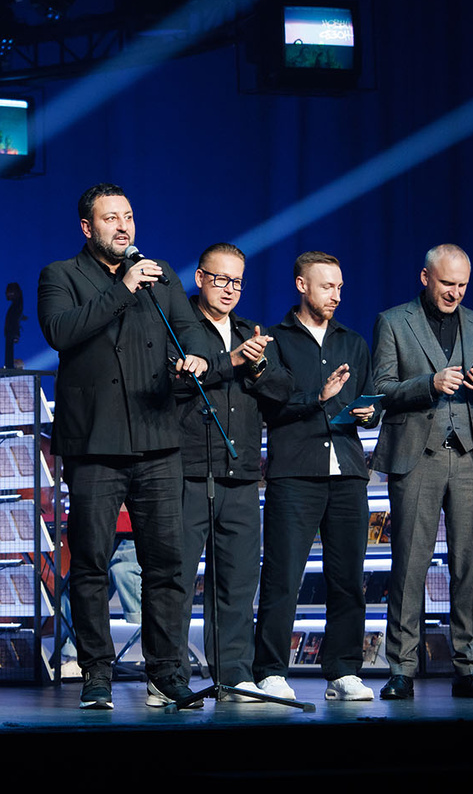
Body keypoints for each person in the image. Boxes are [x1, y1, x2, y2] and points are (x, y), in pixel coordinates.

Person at [37, 182, 209, 710]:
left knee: (166, 563)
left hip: (158, 439)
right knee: (91, 561)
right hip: (95, 443)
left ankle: (166, 672)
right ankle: (96, 673)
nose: (123, 226)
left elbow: (191, 330)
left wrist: (197, 358)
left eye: (128, 216)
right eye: (111, 218)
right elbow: (61, 332)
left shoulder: (161, 274)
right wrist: (124, 288)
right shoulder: (61, 275)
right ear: (87, 227)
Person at [371, 244, 473, 699]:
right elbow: (381, 390)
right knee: (410, 564)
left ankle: (469, 668)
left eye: (463, 285)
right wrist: (427, 384)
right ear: (425, 277)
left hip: (470, 457)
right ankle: (401, 669)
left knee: (470, 566)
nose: (455, 292)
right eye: (447, 283)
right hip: (418, 456)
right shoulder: (394, 322)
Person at [252, 251, 379, 702]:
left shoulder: (353, 342)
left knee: (347, 578)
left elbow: (368, 398)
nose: (336, 295)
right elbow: (271, 406)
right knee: (283, 576)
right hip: (296, 472)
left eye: (340, 287)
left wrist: (369, 412)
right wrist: (318, 397)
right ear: (302, 285)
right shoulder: (276, 341)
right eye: (327, 286)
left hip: (347, 472)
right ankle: (270, 670)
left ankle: (343, 670)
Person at [177, 243, 291, 701]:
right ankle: (169, 676)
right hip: (188, 471)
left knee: (238, 583)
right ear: (200, 277)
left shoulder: (251, 332)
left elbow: (282, 391)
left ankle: (234, 675)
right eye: (221, 279)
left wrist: (257, 365)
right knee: (177, 582)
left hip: (241, 473)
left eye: (237, 282)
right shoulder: (180, 325)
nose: (229, 289)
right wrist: (232, 362)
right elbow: (169, 384)